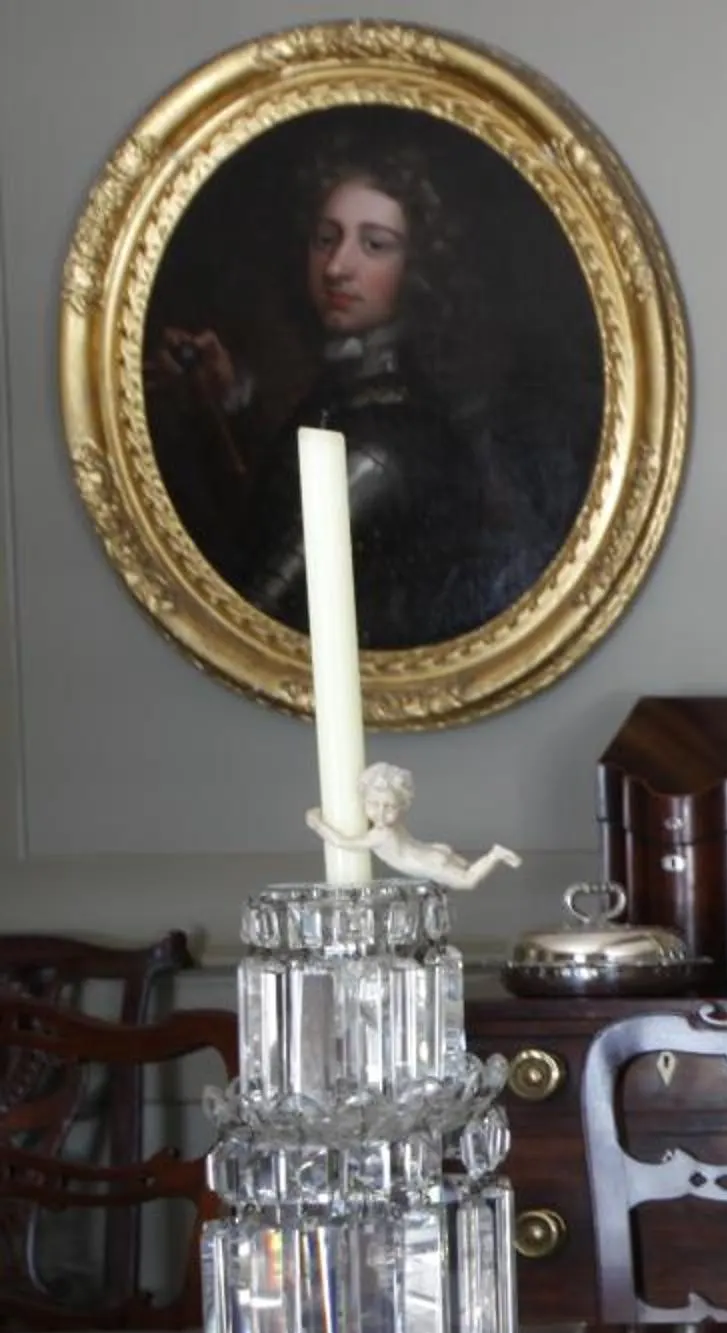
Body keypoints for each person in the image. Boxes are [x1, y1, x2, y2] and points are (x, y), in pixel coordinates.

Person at [149, 143, 496, 649]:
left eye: (374, 245)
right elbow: (267, 518)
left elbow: (252, 616)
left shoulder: (382, 444)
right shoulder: (353, 388)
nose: (336, 267)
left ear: (417, 267)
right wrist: (224, 403)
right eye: (325, 239)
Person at [306, 762, 521, 889]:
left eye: (389, 807)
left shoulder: (380, 834)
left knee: (467, 881)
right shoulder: (393, 825)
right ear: (364, 802)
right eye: (373, 804)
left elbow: (342, 841)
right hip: (431, 851)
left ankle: (495, 855)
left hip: (427, 864)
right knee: (466, 868)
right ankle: (491, 856)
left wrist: (316, 822)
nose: (380, 812)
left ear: (401, 807)